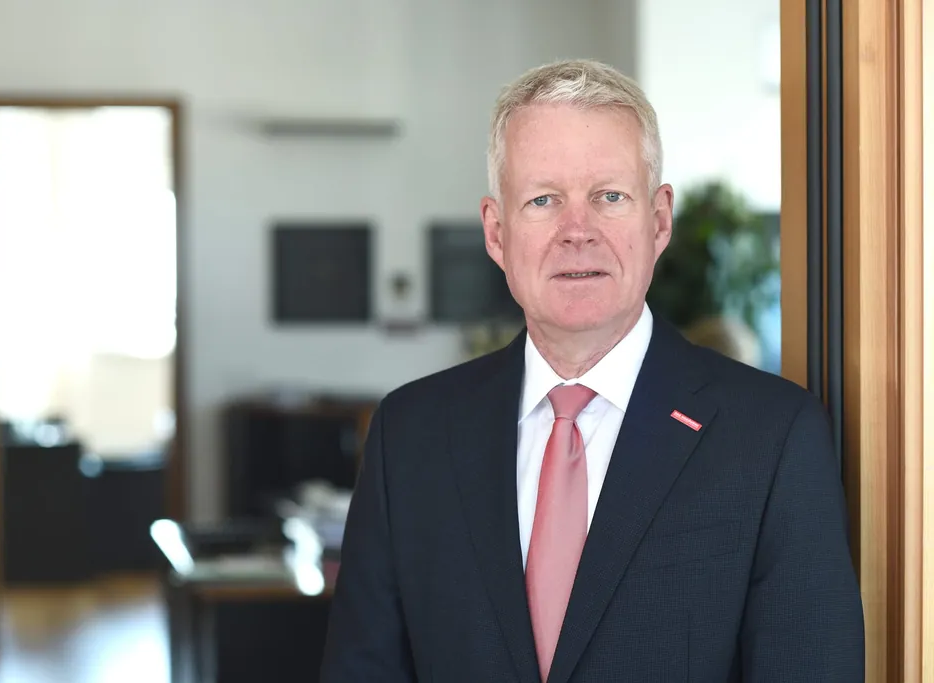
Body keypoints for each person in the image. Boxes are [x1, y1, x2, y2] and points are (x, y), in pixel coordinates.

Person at [319, 59, 864, 682]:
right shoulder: (409, 434)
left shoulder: (774, 437)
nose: (577, 231)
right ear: (497, 233)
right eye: (543, 200)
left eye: (609, 196)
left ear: (659, 220)